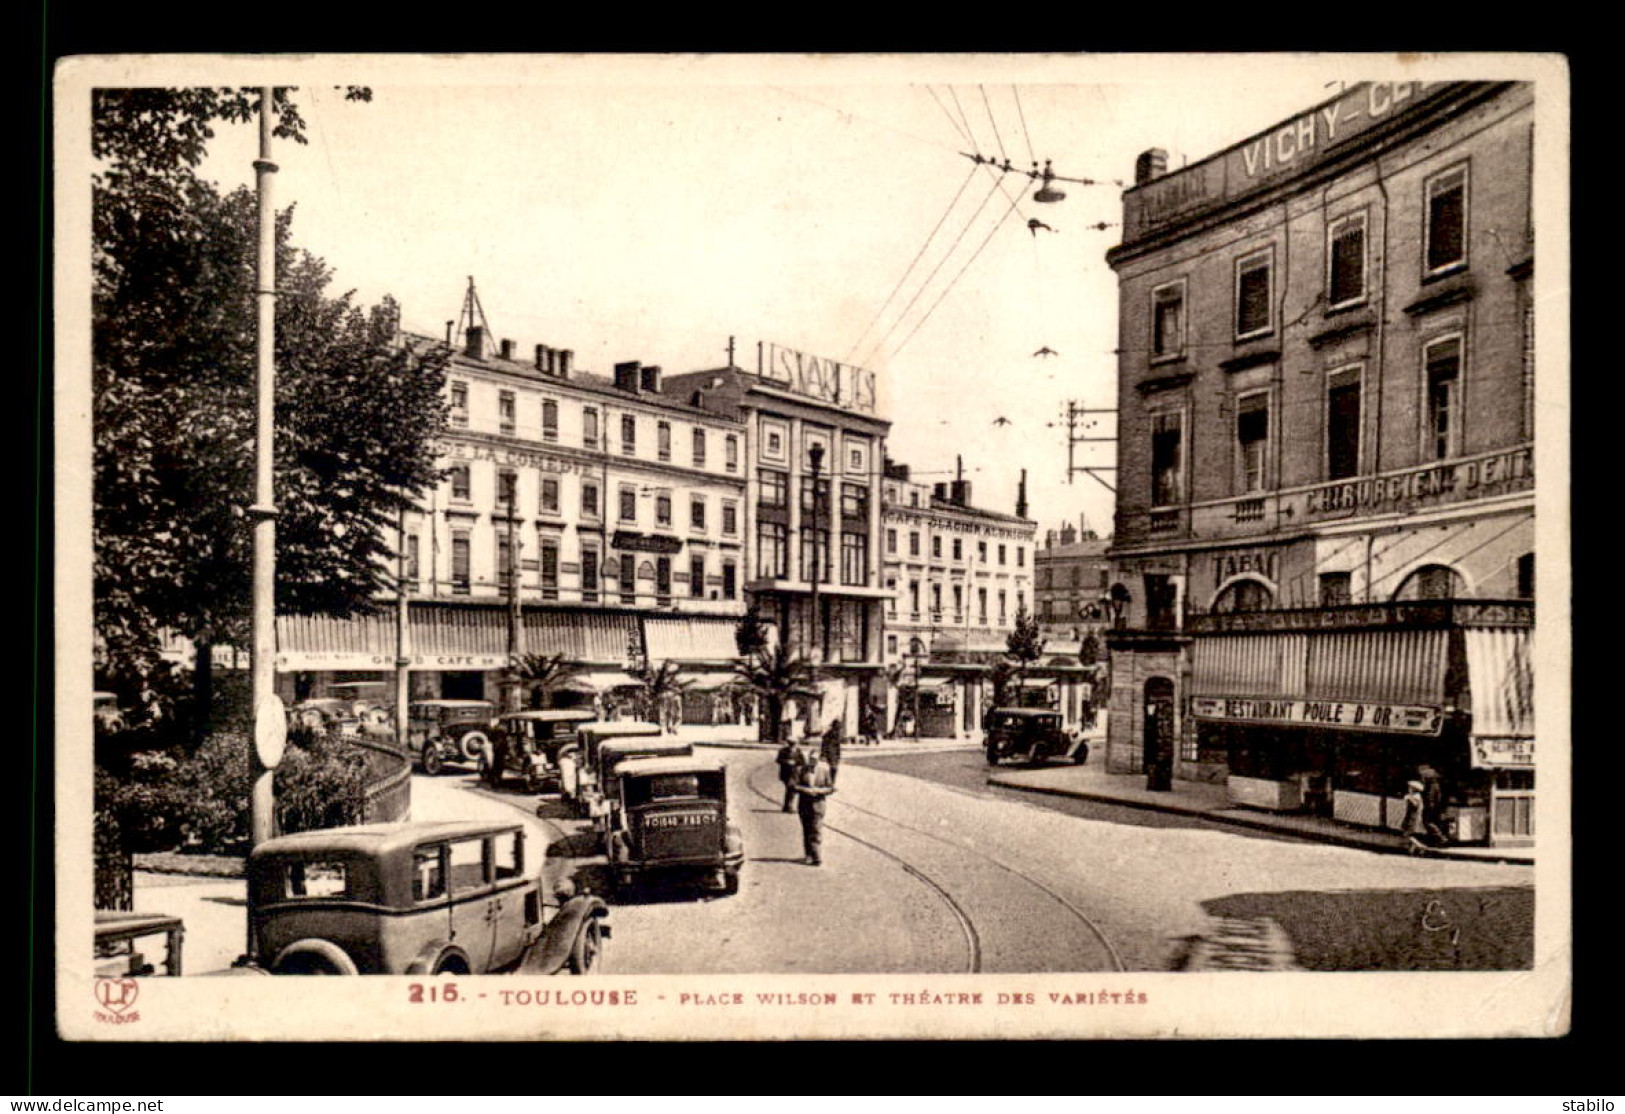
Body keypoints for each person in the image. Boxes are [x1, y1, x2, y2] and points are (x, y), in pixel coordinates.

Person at [792, 746, 837, 866]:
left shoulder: (824, 771)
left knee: (816, 830)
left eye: (815, 760)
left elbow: (831, 788)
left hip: (818, 805)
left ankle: (817, 857)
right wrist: (805, 790)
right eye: (811, 759)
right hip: (804, 805)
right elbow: (794, 786)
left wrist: (818, 791)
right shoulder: (801, 770)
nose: (813, 762)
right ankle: (808, 855)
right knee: (807, 830)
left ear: (819, 760)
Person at [1417, 764, 1446, 846]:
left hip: (1430, 807)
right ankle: (1432, 839)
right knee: (1434, 821)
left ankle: (1440, 837)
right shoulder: (1437, 785)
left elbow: (1430, 797)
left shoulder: (1431, 787)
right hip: (1436, 806)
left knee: (1427, 822)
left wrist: (1428, 805)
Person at [1401, 780, 1430, 855]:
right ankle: (1411, 850)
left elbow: (1415, 805)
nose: (1409, 789)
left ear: (1414, 789)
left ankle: (1421, 846)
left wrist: (1409, 798)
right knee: (1409, 834)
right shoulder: (1416, 796)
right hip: (1412, 817)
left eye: (1410, 788)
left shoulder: (1415, 797)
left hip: (1412, 818)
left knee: (1407, 835)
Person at [775, 737, 802, 812]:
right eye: (791, 744)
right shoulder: (783, 751)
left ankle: (787, 806)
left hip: (794, 774)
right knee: (790, 788)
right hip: (786, 773)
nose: (793, 745)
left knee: (791, 789)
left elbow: (802, 761)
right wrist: (787, 762)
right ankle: (788, 806)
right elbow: (778, 760)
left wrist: (796, 762)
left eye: (794, 744)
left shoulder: (798, 751)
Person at [821, 720, 845, 785]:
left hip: (833, 755)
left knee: (833, 769)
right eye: (837, 728)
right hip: (830, 754)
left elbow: (838, 747)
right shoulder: (829, 735)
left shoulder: (836, 735)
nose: (839, 730)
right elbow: (824, 745)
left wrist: (838, 756)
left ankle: (831, 782)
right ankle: (830, 782)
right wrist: (823, 755)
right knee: (831, 769)